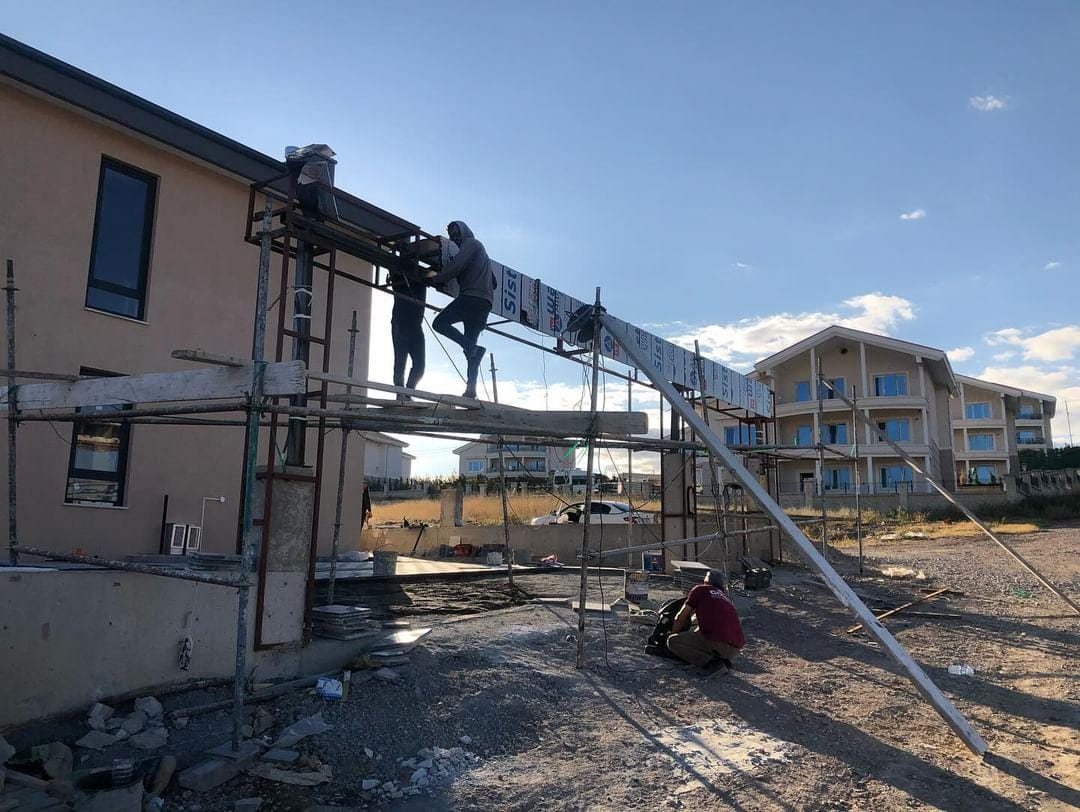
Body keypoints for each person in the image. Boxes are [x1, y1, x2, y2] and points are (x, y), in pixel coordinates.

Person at [430, 221, 496, 398]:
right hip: (484, 304)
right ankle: (471, 389)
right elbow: (495, 282)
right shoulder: (482, 253)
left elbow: (457, 265)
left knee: (439, 323)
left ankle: (472, 349)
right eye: (452, 235)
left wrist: (438, 278)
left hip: (472, 297)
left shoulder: (471, 244)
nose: (454, 237)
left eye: (456, 232)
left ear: (465, 231)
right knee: (470, 352)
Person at [667, 570, 745, 669]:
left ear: (706, 581)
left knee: (672, 641)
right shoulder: (726, 598)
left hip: (717, 643)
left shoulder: (700, 590)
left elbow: (680, 617)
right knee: (699, 634)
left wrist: (673, 633)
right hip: (735, 649)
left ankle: (712, 663)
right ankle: (721, 659)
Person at [388, 267, 427, 396]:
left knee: (420, 365)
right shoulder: (399, 274)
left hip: (416, 326)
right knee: (400, 362)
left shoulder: (421, 276)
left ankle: (408, 392)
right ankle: (400, 394)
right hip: (400, 324)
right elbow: (393, 272)